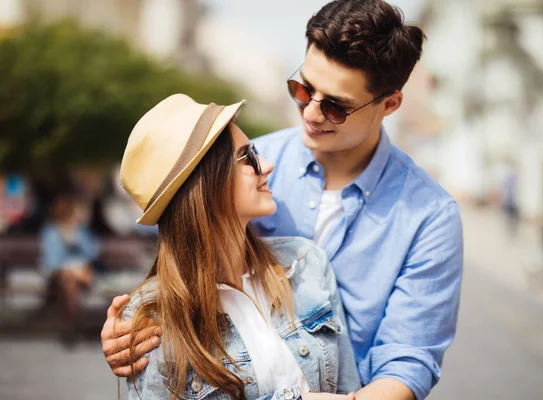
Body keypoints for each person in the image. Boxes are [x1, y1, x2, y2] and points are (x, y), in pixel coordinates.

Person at [101, 1, 463, 399]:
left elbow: (410, 358)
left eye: (335, 106)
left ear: (390, 104)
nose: (310, 113)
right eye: (302, 88)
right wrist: (134, 330)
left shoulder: (430, 215)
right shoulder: (246, 163)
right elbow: (190, 251)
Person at [117, 94, 360, 399]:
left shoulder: (306, 263)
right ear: (205, 184)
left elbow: (350, 391)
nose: (267, 166)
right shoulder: (152, 313)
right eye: (248, 157)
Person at [40, 193, 99, 346]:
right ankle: (73, 324)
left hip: (79, 273)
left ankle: (70, 327)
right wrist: (63, 242)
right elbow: (52, 262)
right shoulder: (52, 232)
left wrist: (78, 241)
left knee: (71, 284)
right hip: (59, 274)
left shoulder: (81, 232)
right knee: (69, 282)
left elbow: (93, 254)